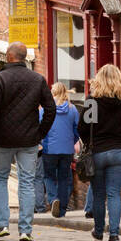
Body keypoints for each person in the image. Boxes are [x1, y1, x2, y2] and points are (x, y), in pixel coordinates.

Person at [0, 42, 57, 241]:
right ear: (23, 58)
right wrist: (40, 133)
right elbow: (51, 109)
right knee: (27, 182)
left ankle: (2, 225)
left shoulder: (1, 79)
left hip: (4, 140)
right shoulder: (38, 79)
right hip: (29, 139)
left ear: (10, 57)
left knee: (0, 179)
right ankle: (25, 229)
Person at [78, 64, 121, 241]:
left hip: (98, 152)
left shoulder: (92, 101)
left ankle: (98, 231)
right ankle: (114, 234)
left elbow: (82, 128)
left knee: (99, 194)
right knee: (114, 194)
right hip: (118, 152)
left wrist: (89, 143)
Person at [39, 81, 80, 218]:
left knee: (49, 176)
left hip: (49, 149)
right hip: (67, 150)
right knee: (64, 179)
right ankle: (61, 209)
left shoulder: (45, 109)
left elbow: (40, 127)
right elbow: (77, 130)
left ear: (53, 92)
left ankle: (52, 199)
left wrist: (41, 142)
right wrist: (71, 142)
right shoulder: (72, 109)